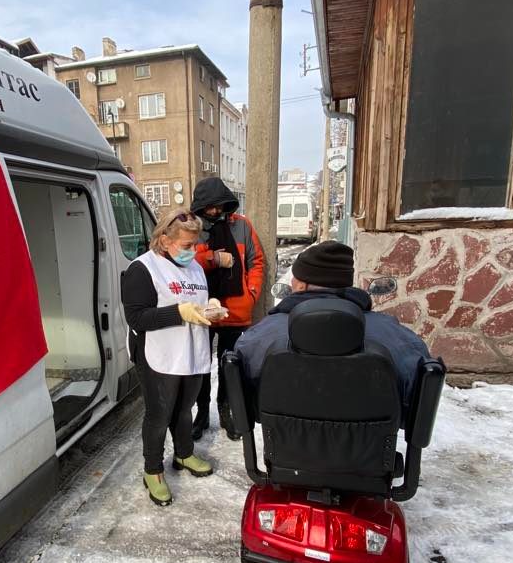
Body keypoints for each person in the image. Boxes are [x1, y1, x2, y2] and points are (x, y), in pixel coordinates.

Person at [234, 241, 431, 414]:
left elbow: (243, 396)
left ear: (301, 286)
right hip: (369, 453)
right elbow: (416, 396)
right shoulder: (396, 337)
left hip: (285, 450)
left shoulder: (260, 336)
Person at [122, 207, 218, 506]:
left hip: (190, 350)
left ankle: (184, 452)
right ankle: (152, 470)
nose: (193, 251)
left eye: (195, 245)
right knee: (159, 413)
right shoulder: (142, 269)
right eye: (187, 245)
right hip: (158, 353)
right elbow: (137, 318)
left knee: (184, 407)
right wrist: (178, 313)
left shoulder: (195, 268)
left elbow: (197, 301)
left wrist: (210, 307)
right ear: (164, 241)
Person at [188, 177, 265, 441]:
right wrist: (212, 258)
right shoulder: (191, 227)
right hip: (202, 311)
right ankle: (201, 415)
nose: (214, 211)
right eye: (208, 207)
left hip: (236, 311)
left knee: (228, 365)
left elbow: (256, 262)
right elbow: (182, 259)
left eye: (218, 205)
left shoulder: (242, 226)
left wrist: (252, 294)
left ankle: (226, 412)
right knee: (200, 365)